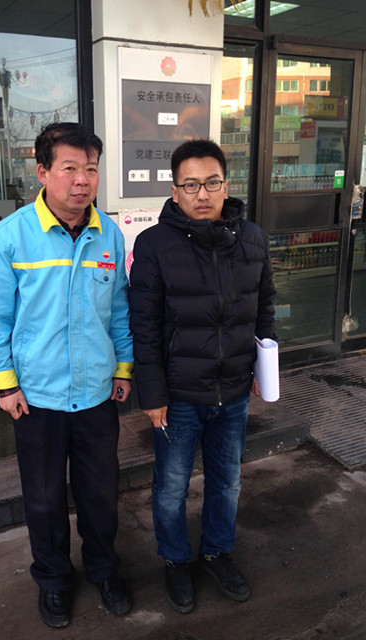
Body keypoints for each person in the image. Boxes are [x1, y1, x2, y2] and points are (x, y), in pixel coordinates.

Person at [0, 122, 133, 628]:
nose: (82, 180)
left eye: (91, 169)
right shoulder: (10, 236)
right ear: (43, 173)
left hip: (96, 395)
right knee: (43, 501)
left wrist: (123, 369)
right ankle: (54, 580)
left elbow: (120, 311)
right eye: (70, 168)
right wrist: (5, 385)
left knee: (100, 496)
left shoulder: (109, 234)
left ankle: (104, 570)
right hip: (37, 399)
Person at [128, 139, 276, 614]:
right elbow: (144, 327)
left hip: (233, 389)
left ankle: (216, 552)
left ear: (225, 185)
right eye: (190, 185)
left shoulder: (252, 239)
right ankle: (175, 560)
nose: (202, 194)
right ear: (175, 192)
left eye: (212, 182)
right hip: (178, 396)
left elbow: (264, 308)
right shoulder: (154, 245)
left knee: (226, 481)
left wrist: (264, 364)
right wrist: (152, 394)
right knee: (171, 485)